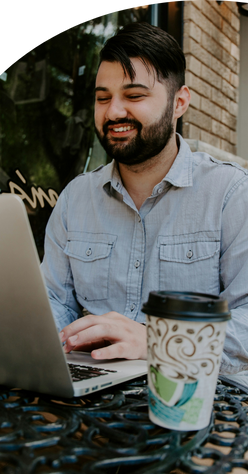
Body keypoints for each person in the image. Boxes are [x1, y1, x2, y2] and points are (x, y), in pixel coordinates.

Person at [41, 21, 248, 380]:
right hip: (90, 397)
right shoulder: (75, 198)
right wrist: (45, 336)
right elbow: (53, 301)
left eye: (134, 96)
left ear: (179, 102)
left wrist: (156, 341)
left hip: (196, 398)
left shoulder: (231, 193)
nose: (114, 112)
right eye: (103, 98)